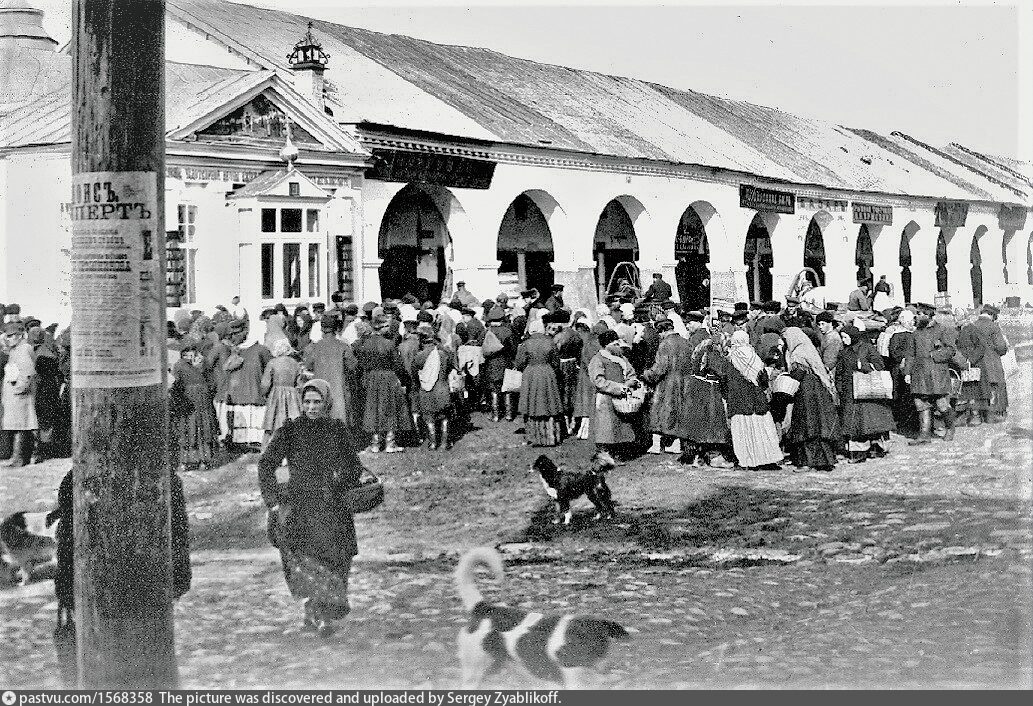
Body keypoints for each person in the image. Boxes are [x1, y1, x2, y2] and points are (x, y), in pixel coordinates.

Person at [258, 379, 368, 637]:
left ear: (326, 403)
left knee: (335, 560)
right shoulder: (291, 430)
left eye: (317, 402)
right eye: (306, 401)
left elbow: (354, 467)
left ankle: (323, 613)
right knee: (306, 562)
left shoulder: (337, 430)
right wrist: (273, 502)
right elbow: (266, 465)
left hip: (332, 508)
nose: (311, 407)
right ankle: (314, 611)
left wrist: (338, 483)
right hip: (300, 509)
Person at [716, 331, 783, 470]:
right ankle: (767, 460)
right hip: (757, 400)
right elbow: (764, 380)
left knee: (743, 432)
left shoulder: (730, 359)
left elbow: (724, 380)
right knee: (762, 431)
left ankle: (747, 461)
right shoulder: (755, 358)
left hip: (739, 400)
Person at [782, 327, 841, 472]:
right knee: (819, 425)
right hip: (818, 391)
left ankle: (807, 461)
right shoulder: (809, 348)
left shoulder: (798, 353)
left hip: (806, 393)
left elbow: (798, 373)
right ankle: (824, 460)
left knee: (807, 425)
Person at [835, 325, 895, 462]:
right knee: (854, 424)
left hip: (868, 393)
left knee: (870, 422)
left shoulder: (867, 348)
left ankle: (875, 448)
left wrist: (863, 366)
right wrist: (840, 388)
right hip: (850, 394)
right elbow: (839, 372)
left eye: (845, 337)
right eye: (842, 337)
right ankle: (858, 452)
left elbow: (880, 365)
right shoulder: (844, 352)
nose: (843, 341)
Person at [354, 316, 411, 453]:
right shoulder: (389, 344)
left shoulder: (365, 344)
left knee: (373, 409)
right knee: (389, 408)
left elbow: (361, 364)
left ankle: (375, 443)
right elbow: (398, 365)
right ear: (379, 327)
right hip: (388, 377)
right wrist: (403, 379)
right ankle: (390, 443)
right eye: (386, 326)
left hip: (371, 378)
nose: (389, 328)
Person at [640, 319, 694, 457]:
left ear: (662, 331)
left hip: (668, 383)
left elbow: (660, 368)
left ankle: (656, 445)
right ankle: (675, 444)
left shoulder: (664, 344)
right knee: (679, 412)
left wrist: (647, 375)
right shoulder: (686, 343)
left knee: (659, 412)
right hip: (685, 382)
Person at [905, 303, 957, 444]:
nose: (918, 316)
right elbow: (910, 354)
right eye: (918, 313)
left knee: (942, 405)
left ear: (930, 315)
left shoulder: (942, 330)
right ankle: (924, 435)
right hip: (919, 374)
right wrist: (907, 373)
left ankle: (950, 428)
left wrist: (935, 355)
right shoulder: (915, 333)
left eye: (922, 313)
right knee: (921, 404)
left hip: (937, 373)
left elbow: (951, 350)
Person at [514, 315, 565, 447]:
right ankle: (550, 436)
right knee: (549, 404)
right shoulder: (550, 342)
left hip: (530, 373)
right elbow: (555, 362)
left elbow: (519, 363)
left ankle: (534, 437)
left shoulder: (525, 344)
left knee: (531, 405)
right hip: (547, 373)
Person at [588, 330, 641, 458]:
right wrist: (619, 388)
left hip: (622, 398)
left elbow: (631, 373)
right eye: (614, 343)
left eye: (618, 343)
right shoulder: (597, 359)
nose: (618, 346)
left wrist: (631, 382)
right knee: (605, 427)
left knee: (622, 426)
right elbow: (598, 380)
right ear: (606, 345)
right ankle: (605, 453)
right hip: (605, 397)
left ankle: (620, 451)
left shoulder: (622, 359)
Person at [172, 338, 220, 470]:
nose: (190, 354)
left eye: (192, 350)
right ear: (182, 353)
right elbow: (175, 384)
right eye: (187, 351)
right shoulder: (180, 365)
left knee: (203, 429)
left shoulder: (203, 364)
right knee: (189, 428)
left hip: (203, 403)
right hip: (189, 403)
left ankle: (204, 460)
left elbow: (213, 382)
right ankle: (187, 460)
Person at [223, 320, 272, 451]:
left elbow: (269, 369)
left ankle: (255, 441)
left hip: (254, 390)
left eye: (237, 334)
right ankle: (240, 441)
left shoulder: (261, 350)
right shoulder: (234, 351)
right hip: (238, 392)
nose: (234, 337)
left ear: (245, 333)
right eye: (232, 334)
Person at [412, 323, 458, 449]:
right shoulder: (444, 354)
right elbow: (450, 368)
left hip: (426, 390)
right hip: (442, 388)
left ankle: (432, 443)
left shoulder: (419, 356)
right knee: (444, 417)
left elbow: (414, 375)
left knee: (429, 417)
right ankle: (444, 442)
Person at [1, 321, 37, 467]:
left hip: (19, 396)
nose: (8, 339)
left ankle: (20, 458)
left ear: (19, 335)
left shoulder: (22, 350)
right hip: (15, 396)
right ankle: (18, 457)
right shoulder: (16, 349)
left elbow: (27, 373)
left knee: (21, 426)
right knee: (17, 426)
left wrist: (18, 389)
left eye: (11, 336)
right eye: (7, 336)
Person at [261, 338, 304, 447]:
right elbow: (300, 384)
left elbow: (266, 383)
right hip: (292, 394)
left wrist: (265, 393)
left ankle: (266, 448)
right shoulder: (295, 363)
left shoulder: (272, 363)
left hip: (276, 393)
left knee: (271, 422)